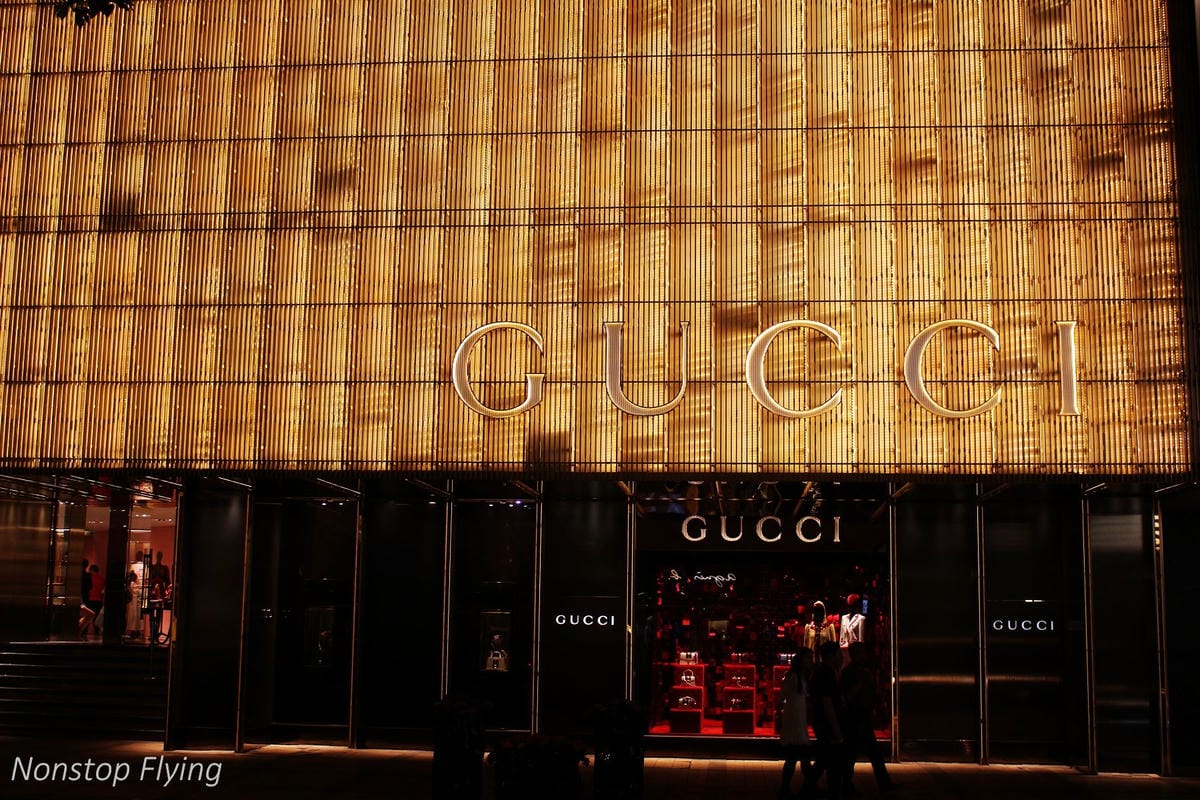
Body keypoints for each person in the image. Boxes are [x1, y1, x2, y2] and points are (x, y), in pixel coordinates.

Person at [840, 642, 899, 793]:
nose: (864, 656)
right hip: (855, 718)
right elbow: (847, 696)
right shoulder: (851, 673)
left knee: (868, 754)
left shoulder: (862, 671)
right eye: (861, 653)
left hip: (862, 717)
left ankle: (881, 783)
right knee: (856, 754)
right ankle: (847, 784)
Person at [808, 641, 849, 800]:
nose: (842, 657)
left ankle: (809, 789)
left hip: (824, 723)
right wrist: (836, 729)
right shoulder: (826, 673)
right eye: (839, 654)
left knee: (824, 760)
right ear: (832, 656)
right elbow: (827, 702)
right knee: (831, 762)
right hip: (827, 725)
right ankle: (830, 792)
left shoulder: (824, 672)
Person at [778, 647, 815, 799]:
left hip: (797, 718)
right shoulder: (795, 676)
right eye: (807, 658)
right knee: (799, 757)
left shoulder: (798, 676)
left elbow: (784, 695)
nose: (809, 662)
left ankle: (793, 788)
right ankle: (806, 788)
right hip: (795, 719)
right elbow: (784, 695)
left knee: (796, 758)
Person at [85, 564, 104, 637]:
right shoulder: (102, 579)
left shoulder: (89, 578)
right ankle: (96, 632)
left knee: (87, 617)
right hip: (98, 600)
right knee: (96, 618)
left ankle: (85, 633)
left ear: (91, 570)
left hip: (89, 600)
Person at [79, 559, 94, 638]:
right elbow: (90, 587)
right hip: (85, 597)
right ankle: (81, 633)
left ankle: (79, 632)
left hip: (81, 597)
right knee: (89, 614)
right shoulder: (88, 575)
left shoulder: (77, 574)